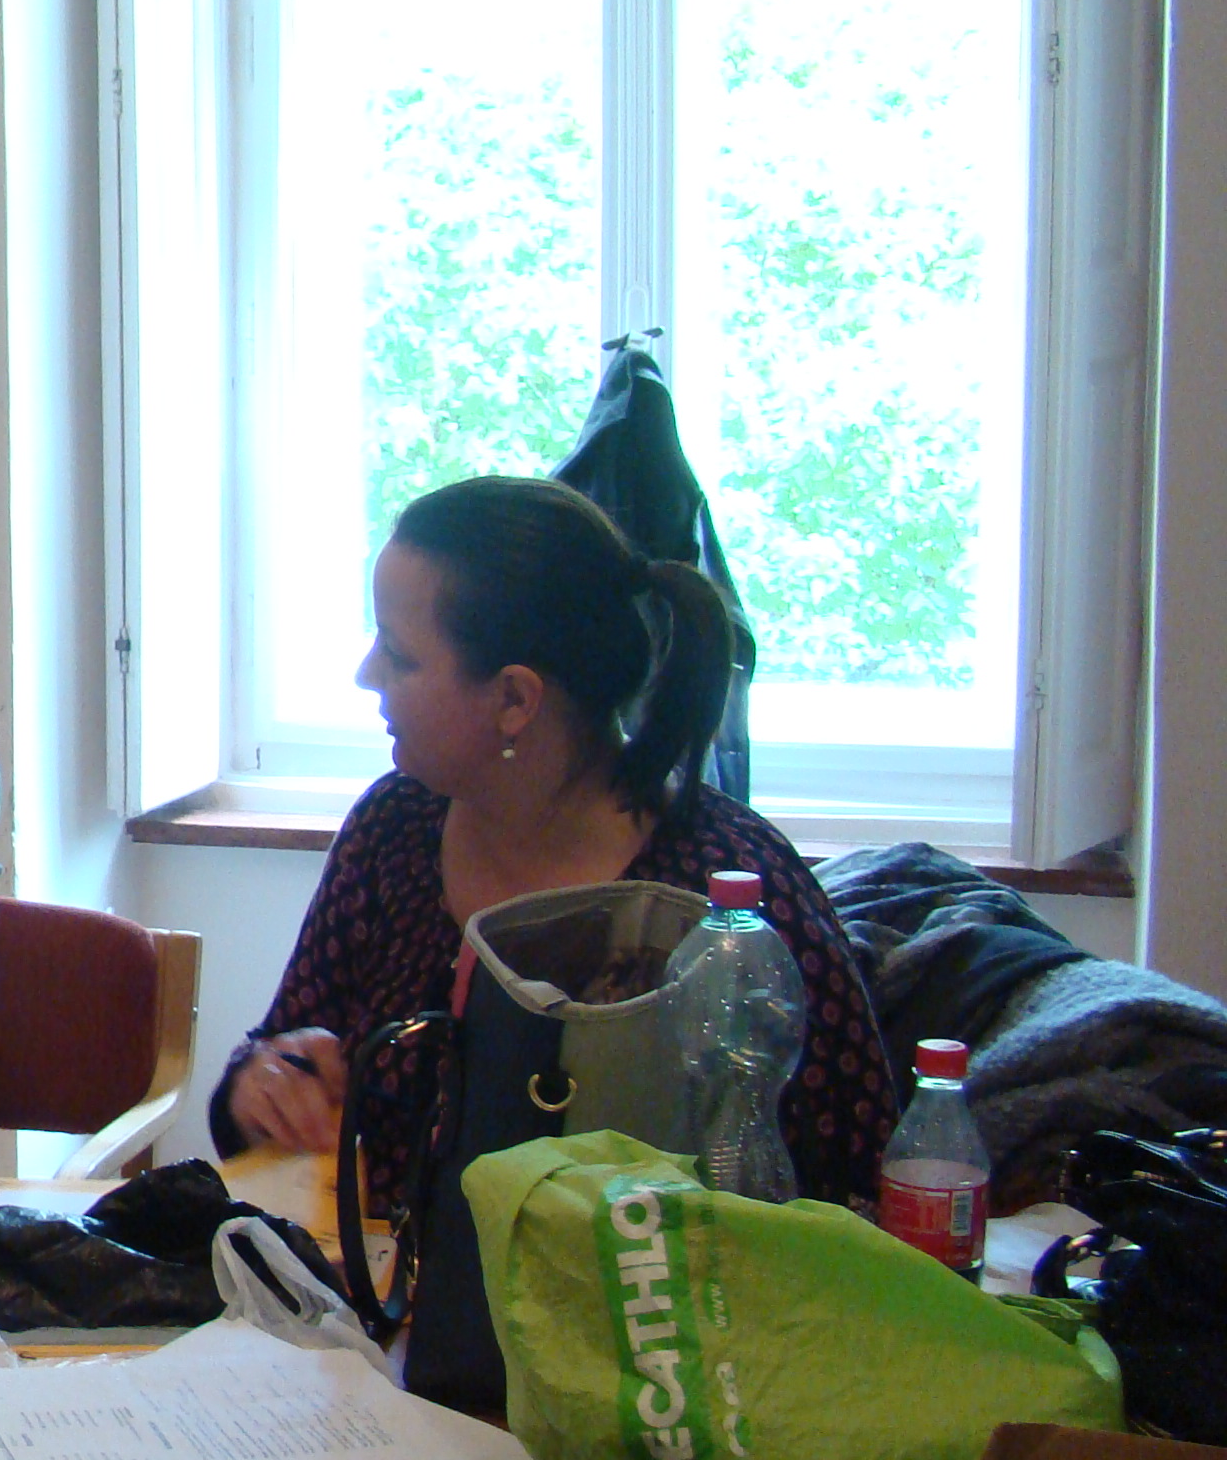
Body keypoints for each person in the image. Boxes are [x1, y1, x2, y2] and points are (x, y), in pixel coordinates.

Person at [215, 474, 896, 1210]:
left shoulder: (734, 895)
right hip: (374, 1279)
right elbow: (284, 1054)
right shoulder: (394, 828)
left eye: (400, 655)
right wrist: (260, 1085)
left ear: (515, 699)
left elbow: (865, 1199)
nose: (366, 674)